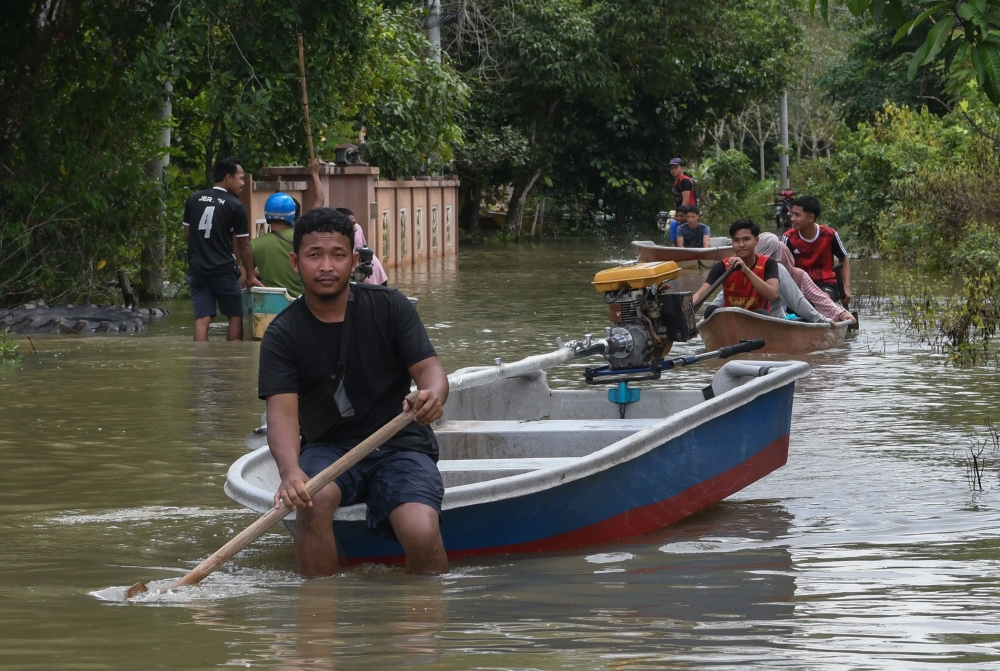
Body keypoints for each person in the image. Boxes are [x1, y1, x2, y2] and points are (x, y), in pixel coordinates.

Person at [258, 207, 449, 577]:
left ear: (355, 260)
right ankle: (317, 621)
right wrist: (290, 472)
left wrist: (432, 395)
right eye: (315, 255)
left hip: (399, 443)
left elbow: (430, 371)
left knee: (421, 528)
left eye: (337, 255)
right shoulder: (282, 334)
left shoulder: (390, 307)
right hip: (328, 449)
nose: (326, 266)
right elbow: (281, 414)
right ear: (296, 262)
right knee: (311, 502)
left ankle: (424, 622)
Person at [183, 157, 263, 341]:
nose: (243, 183)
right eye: (241, 178)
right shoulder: (235, 206)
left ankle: (200, 363)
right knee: (235, 317)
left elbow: (188, 235)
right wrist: (250, 276)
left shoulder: (194, 199)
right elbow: (244, 246)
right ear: (228, 178)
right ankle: (231, 364)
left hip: (197, 270)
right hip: (224, 271)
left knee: (201, 319)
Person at [757, 233, 855, 324]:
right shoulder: (751, 269)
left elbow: (818, 299)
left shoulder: (793, 274)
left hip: (782, 319)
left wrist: (841, 314)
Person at [693, 219, 779, 318]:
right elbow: (700, 295)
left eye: (746, 239)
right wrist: (687, 309)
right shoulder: (722, 266)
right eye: (736, 240)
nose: (741, 245)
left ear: (756, 240)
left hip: (756, 322)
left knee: (762, 313)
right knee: (710, 310)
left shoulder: (768, 263)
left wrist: (746, 270)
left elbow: (773, 296)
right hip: (730, 322)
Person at [783, 195, 851, 307]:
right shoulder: (788, 238)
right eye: (792, 214)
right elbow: (781, 266)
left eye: (797, 215)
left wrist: (847, 288)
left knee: (823, 299)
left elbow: (843, 258)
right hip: (799, 285)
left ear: (810, 218)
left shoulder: (830, 234)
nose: (792, 219)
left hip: (826, 284)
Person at [251, 192, 304, 298]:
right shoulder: (304, 239)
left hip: (272, 306)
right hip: (303, 303)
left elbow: (242, 279)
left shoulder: (254, 244)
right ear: (292, 215)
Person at [334, 207, 388, 285]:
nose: (355, 229)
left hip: (369, 266)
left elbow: (363, 246)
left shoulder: (357, 228)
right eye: (352, 224)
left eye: (354, 224)